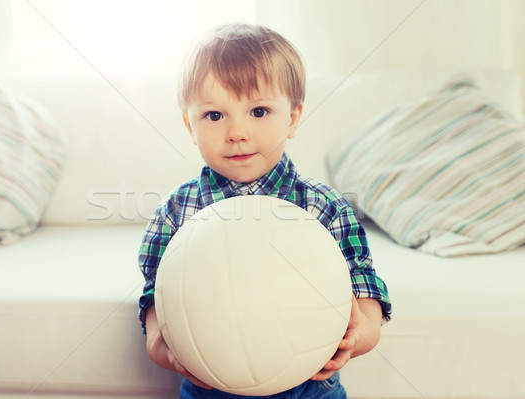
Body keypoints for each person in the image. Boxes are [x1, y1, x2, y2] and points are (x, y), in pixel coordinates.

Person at [138, 23, 391, 398]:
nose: (237, 132)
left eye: (258, 111)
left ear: (291, 117)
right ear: (189, 124)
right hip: (209, 386)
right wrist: (163, 346)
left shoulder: (324, 207)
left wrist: (358, 336)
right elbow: (157, 297)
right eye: (214, 115)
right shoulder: (177, 211)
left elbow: (363, 287)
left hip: (310, 386)